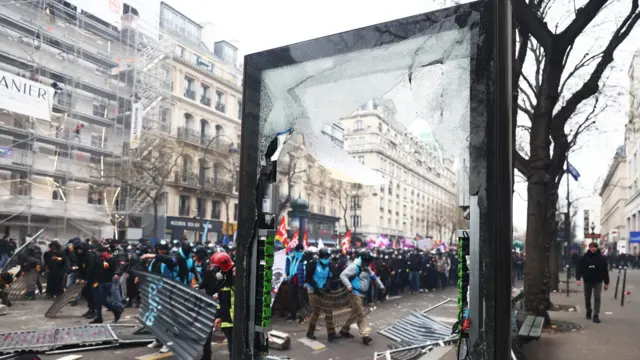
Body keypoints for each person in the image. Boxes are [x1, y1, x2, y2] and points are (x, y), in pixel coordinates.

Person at [339, 250, 385, 345]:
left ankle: (344, 329)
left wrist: (381, 286)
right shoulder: (354, 267)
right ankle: (364, 335)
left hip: (362, 294)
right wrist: (348, 285)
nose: (369, 264)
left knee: (354, 313)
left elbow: (374, 277)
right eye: (368, 262)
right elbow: (342, 275)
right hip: (354, 293)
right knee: (360, 313)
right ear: (364, 260)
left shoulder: (366, 267)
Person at [305, 248, 340, 342]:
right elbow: (308, 278)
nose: (326, 258)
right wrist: (316, 287)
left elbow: (331, 277)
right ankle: (310, 332)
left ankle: (331, 334)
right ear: (320, 257)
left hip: (324, 291)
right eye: (325, 257)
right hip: (314, 291)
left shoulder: (329, 265)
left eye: (328, 257)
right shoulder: (313, 264)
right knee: (316, 312)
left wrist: (327, 286)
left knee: (329, 311)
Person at [209, 252, 235, 358]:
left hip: (236, 322)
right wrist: (218, 316)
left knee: (236, 349)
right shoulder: (223, 281)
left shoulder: (235, 280)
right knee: (232, 348)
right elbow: (222, 302)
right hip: (228, 321)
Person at [576, 242, 609, 323]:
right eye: (591, 247)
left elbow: (605, 271)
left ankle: (596, 315)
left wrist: (606, 282)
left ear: (597, 248)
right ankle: (588, 310)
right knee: (587, 297)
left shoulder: (602, 258)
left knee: (597, 297)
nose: (593, 248)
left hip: (598, 280)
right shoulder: (584, 257)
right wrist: (578, 279)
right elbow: (579, 268)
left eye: (595, 247)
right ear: (589, 248)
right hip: (587, 280)